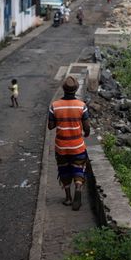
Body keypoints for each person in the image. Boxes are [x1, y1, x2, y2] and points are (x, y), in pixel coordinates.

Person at [48, 76, 91, 210]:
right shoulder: (81, 106)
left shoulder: (54, 106)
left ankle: (68, 198)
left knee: (64, 170)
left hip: (61, 146)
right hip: (77, 146)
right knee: (78, 168)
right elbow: (87, 127)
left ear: (63, 89)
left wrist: (59, 119)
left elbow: (50, 126)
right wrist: (87, 133)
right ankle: (78, 188)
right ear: (76, 89)